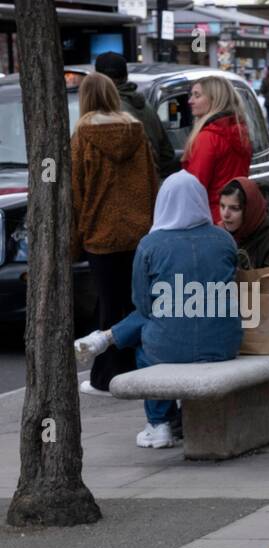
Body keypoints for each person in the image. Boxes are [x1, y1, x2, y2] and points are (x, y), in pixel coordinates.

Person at [72, 172, 241, 450]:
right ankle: (105, 338)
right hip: (223, 344)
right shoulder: (224, 240)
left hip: (167, 349)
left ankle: (159, 423)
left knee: (148, 338)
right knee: (166, 316)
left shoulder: (150, 245)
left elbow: (144, 306)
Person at [70, 73, 160, 398]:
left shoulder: (81, 137)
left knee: (107, 304)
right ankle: (135, 366)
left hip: (101, 235)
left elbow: (76, 193)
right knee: (135, 303)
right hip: (138, 233)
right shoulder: (137, 133)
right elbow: (153, 183)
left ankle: (106, 376)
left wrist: (73, 241)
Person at [92, 51, 178, 179]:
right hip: (148, 186)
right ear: (126, 76)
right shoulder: (146, 106)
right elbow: (167, 154)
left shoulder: (109, 111)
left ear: (99, 80)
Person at [182, 75, 252, 224]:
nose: (190, 101)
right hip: (235, 216)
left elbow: (195, 188)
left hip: (211, 218)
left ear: (214, 99)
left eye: (197, 95)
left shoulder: (208, 137)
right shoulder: (240, 132)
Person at [219, 177, 269, 277]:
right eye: (222, 206)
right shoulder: (219, 235)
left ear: (250, 210)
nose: (225, 214)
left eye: (234, 208)